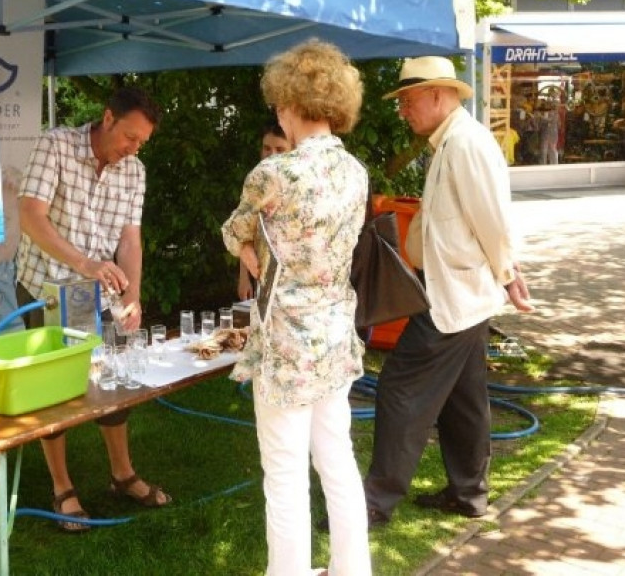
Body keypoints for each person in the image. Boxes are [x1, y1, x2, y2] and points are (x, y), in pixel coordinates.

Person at [362, 56, 534, 529]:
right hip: (458, 294)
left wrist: (507, 273)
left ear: (438, 94)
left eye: (407, 100)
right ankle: (468, 494)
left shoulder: (464, 144)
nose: (402, 110)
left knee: (398, 389)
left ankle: (374, 504)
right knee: (464, 398)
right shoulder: (453, 141)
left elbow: (492, 218)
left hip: (452, 299)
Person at [222, 39, 372, 575]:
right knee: (337, 458)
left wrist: (243, 246)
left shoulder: (274, 175)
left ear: (288, 103)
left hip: (287, 340)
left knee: (284, 472)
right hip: (335, 331)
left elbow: (234, 228)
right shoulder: (355, 172)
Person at [15, 86, 170, 532]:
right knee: (52, 391)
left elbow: (130, 240)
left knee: (113, 384)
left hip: (99, 292)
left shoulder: (134, 171)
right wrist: (84, 262)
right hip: (45, 284)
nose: (133, 148)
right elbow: (30, 215)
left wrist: (132, 296)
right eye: (130, 137)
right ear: (107, 118)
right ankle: (63, 488)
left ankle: (123, 475)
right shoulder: (56, 145)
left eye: (142, 142)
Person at [237, 121, 291, 300]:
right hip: (263, 272)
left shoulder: (301, 182)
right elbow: (245, 230)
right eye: (267, 148)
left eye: (279, 149)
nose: (271, 154)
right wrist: (244, 278)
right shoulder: (256, 182)